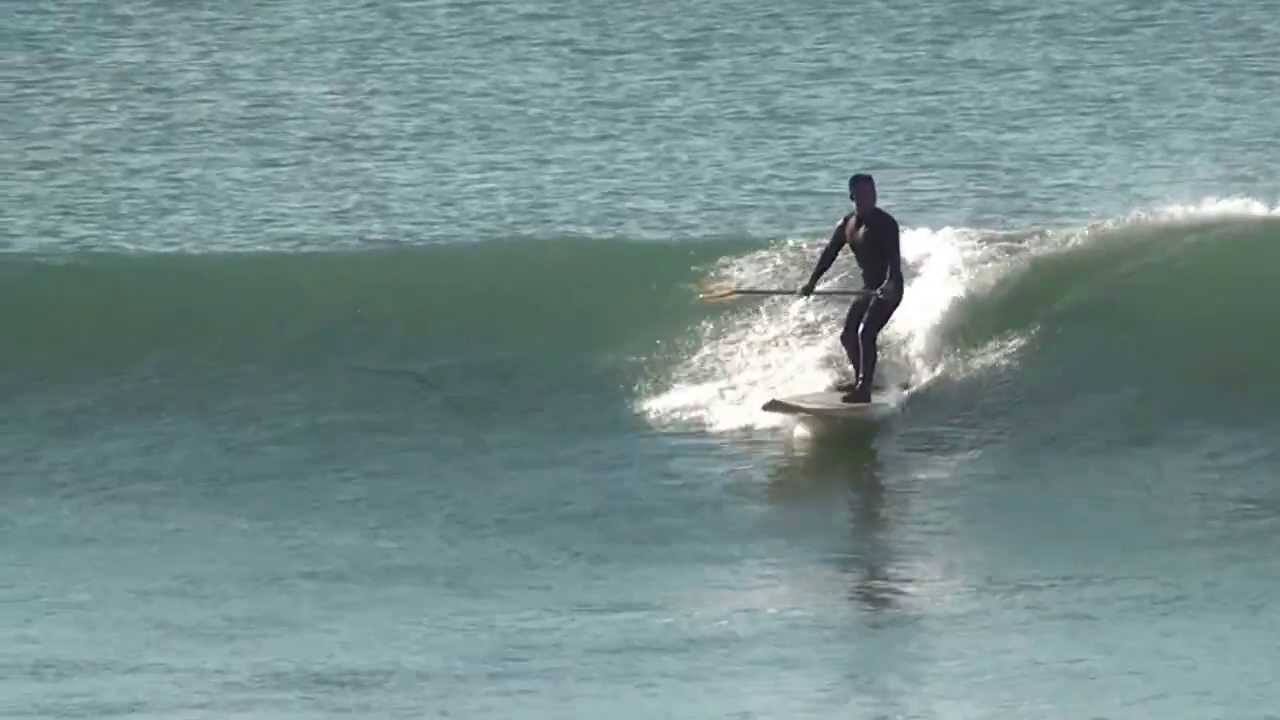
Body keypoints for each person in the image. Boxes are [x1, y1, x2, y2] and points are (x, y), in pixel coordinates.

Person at [798, 173, 903, 403]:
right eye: (863, 194)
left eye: (872, 193)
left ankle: (864, 389)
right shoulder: (847, 224)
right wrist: (812, 282)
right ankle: (861, 380)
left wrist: (890, 284)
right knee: (847, 336)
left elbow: (894, 263)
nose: (869, 198)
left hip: (890, 288)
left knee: (867, 333)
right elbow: (829, 254)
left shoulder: (886, 224)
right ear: (852, 196)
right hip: (868, 288)